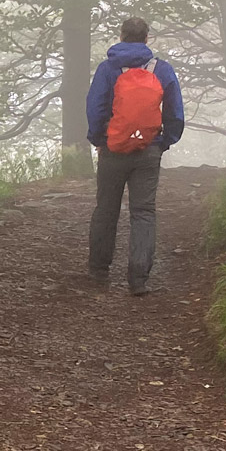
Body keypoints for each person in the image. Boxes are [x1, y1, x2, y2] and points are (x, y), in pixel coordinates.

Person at [85, 16, 185, 296]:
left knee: (106, 208)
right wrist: (164, 141)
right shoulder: (161, 69)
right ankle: (138, 278)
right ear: (146, 38)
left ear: (121, 36)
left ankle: (99, 270)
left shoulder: (108, 69)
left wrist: (99, 140)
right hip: (148, 149)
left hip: (113, 149)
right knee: (143, 212)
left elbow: (95, 107)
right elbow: (174, 110)